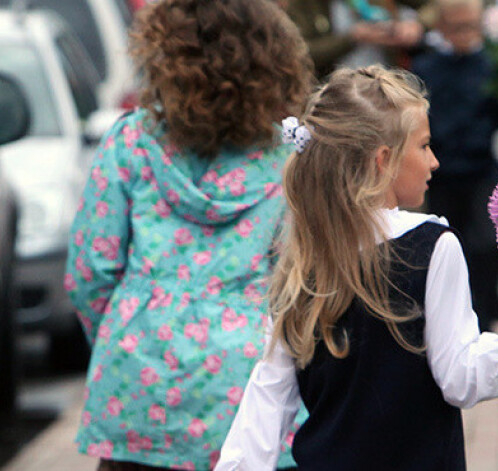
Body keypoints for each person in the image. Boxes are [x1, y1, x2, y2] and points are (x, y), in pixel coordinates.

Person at [213, 65, 498, 470]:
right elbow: (462, 377)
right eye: (423, 146)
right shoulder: (432, 247)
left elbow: (266, 403)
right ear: (383, 160)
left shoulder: (303, 256)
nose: (434, 162)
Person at [64, 0, 313, 469]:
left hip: (138, 385)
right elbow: (307, 282)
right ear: (274, 61)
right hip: (249, 390)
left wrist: (125, 333)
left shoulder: (131, 141)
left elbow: (89, 272)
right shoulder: (291, 159)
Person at [412, 0, 498, 332]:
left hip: (484, 168)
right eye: (456, 27)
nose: (464, 34)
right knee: (449, 244)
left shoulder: (496, 66)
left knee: (486, 243)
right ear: (441, 28)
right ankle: (459, 318)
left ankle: (486, 314)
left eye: (470, 26)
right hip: (442, 173)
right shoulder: (425, 69)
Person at [285, 0, 431, 78]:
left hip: (390, 80)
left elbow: (434, 6)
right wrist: (352, 38)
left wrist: (417, 25)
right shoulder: (301, 4)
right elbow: (299, 54)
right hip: (332, 90)